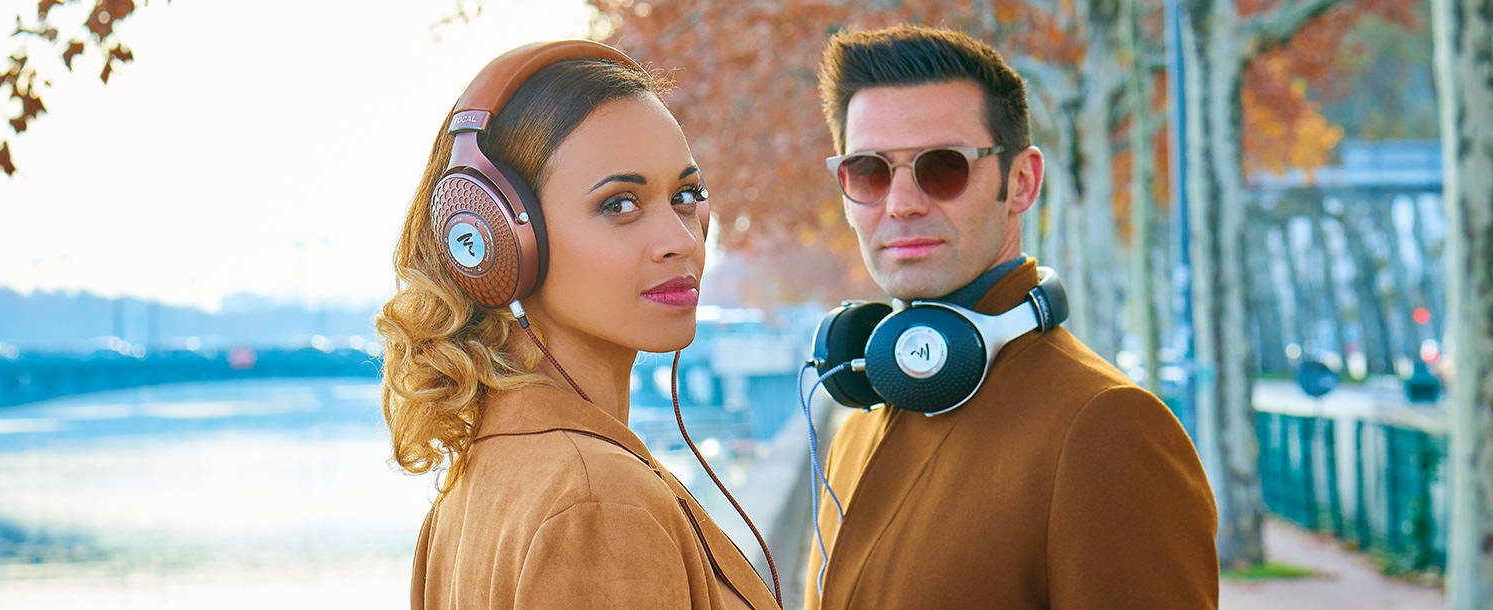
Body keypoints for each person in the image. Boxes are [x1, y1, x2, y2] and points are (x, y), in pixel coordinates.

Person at [803, 25, 1219, 609]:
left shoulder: (1108, 429)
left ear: (1020, 182)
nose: (901, 203)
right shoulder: (858, 425)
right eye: (869, 171)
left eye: (943, 167)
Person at [376, 40, 779, 609]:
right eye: (619, 204)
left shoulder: (471, 486)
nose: (681, 240)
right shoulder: (597, 500)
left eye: (686, 196)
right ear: (501, 243)